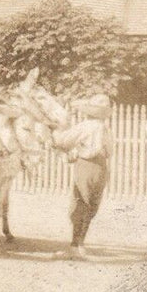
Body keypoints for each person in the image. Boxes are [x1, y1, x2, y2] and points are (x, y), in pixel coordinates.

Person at [51, 93, 114, 260]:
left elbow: (62, 141)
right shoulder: (105, 129)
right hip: (101, 167)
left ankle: (74, 245)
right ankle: (81, 244)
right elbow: (110, 151)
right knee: (92, 203)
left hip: (86, 166)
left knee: (80, 201)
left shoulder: (85, 126)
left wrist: (56, 132)